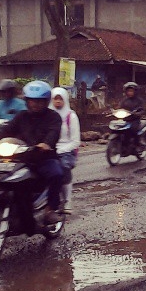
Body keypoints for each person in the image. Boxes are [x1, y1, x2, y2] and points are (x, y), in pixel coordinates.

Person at [0, 80, 64, 225]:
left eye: (39, 101)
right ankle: (4, 206)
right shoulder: (21, 116)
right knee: (0, 174)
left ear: (46, 101)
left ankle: (51, 209)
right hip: (22, 157)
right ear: (27, 101)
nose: (35, 104)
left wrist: (46, 144)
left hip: (44, 157)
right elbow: (7, 130)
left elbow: (53, 133)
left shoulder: (53, 117)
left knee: (57, 174)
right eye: (31, 101)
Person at [50, 87, 81, 215]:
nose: (57, 102)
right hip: (50, 148)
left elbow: (75, 141)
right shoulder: (48, 115)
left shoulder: (70, 116)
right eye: (55, 99)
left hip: (67, 150)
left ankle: (67, 201)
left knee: (63, 168)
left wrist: (61, 150)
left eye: (60, 99)